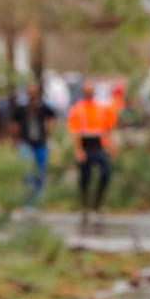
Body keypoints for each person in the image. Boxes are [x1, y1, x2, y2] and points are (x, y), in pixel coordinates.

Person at [66, 78, 117, 224]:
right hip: (85, 146)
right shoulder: (77, 109)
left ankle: (97, 204)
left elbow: (108, 130)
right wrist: (78, 150)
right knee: (85, 177)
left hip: (99, 146)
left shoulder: (101, 109)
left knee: (105, 173)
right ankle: (84, 206)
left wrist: (111, 146)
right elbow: (75, 132)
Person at [9, 82, 57, 207]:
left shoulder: (43, 107)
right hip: (26, 144)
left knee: (40, 173)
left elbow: (52, 117)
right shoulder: (22, 108)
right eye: (30, 93)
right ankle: (28, 202)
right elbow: (14, 123)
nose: (32, 95)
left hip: (40, 144)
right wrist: (15, 140)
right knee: (27, 173)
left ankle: (38, 200)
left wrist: (49, 131)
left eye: (34, 93)